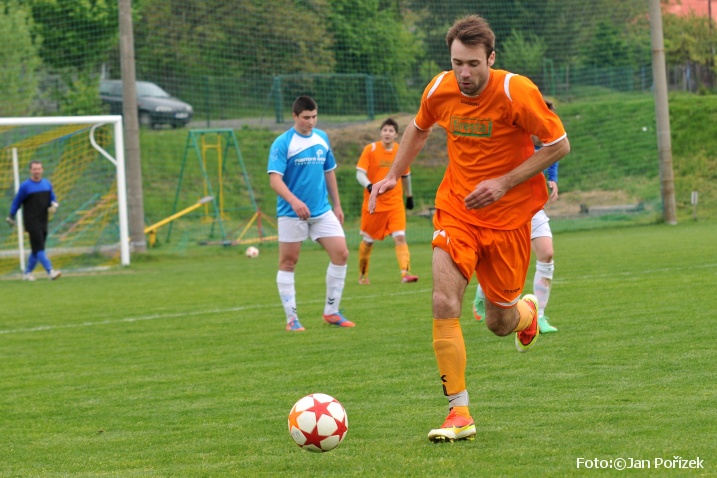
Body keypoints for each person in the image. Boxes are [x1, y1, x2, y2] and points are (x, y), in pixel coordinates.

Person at [368, 15, 570, 442]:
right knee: (444, 301)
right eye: (457, 62)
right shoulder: (439, 89)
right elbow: (418, 128)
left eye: (473, 64)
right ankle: (458, 412)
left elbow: (558, 145)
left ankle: (527, 313)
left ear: (491, 59)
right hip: (456, 211)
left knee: (499, 322)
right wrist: (392, 175)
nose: (464, 72)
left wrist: (504, 182)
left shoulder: (516, 91)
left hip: (508, 221)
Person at [268, 95, 354, 332]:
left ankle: (331, 312)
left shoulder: (322, 138)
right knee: (288, 262)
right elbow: (275, 180)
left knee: (342, 254)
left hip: (322, 211)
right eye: (306, 117)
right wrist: (294, 201)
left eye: (314, 117)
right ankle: (292, 319)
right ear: (294, 116)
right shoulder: (282, 143)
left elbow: (329, 172)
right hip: (291, 213)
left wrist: (337, 205)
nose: (311, 122)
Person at [473, 100, 560, 334]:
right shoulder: (514, 139)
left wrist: (553, 179)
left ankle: (539, 316)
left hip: (533, 209)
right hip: (507, 210)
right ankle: (482, 294)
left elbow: (554, 155)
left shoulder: (549, 142)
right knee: (502, 263)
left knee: (547, 253)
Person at [355, 118, 418, 285]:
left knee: (400, 237)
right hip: (374, 204)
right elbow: (360, 173)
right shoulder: (371, 149)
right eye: (385, 130)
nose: (387, 133)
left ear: (396, 134)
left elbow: (405, 175)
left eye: (391, 130)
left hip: (395, 204)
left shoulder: (400, 151)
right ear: (380, 132)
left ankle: (406, 272)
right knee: (368, 242)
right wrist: (369, 185)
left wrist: (409, 196)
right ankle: (363, 275)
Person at [6, 161, 62, 281]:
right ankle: (50, 272)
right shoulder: (25, 186)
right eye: (34, 169)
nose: (37, 171)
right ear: (30, 171)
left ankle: (27, 273)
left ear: (42, 170)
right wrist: (11, 215)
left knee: (36, 249)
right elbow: (17, 201)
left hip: (43, 220)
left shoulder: (47, 184)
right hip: (31, 221)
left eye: (38, 169)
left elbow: (53, 199)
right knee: (39, 248)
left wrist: (54, 205)